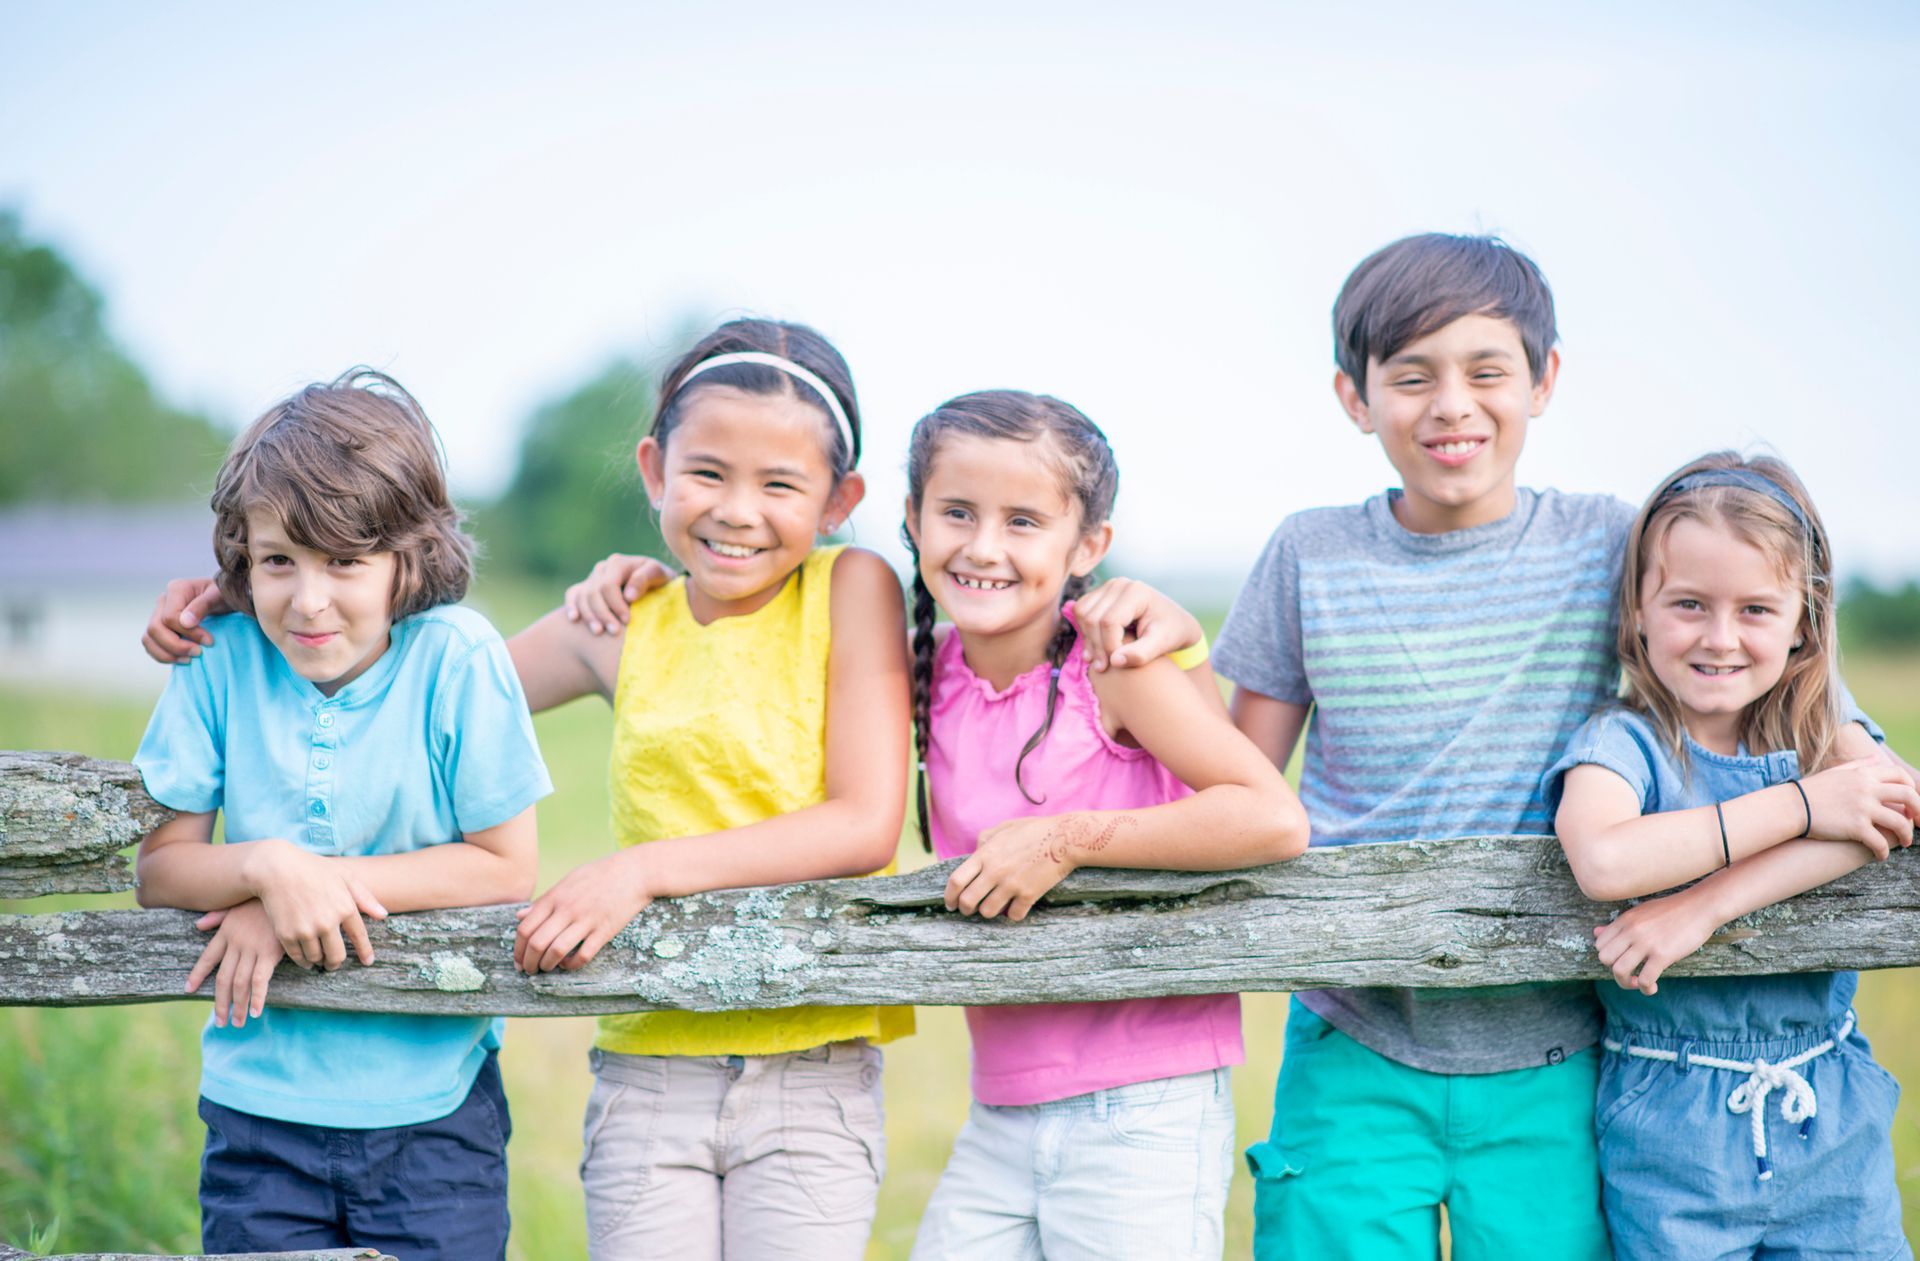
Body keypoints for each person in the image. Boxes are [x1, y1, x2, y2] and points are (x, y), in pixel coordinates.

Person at [1209, 233, 1901, 1260]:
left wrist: (1839, 778)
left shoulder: (1614, 543)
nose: (1452, 404)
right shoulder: (1307, 555)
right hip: (1353, 1031)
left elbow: (1828, 736)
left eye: (1487, 370)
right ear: (1356, 396)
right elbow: (1241, 788)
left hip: (1557, 1044)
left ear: (1544, 381)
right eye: (1412, 375)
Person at [506, 319, 915, 1260]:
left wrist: (641, 871)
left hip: (812, 1065)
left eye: (780, 485)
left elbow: (862, 823)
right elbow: (430, 695)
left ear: (839, 499)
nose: (737, 510)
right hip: (651, 1066)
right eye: (707, 473)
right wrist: (241, 602)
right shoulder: (623, 620)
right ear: (654, 470)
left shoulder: (852, 587)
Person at [131, 369, 550, 1260]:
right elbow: (161, 867)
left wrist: (312, 891)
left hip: (433, 1112)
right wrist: (266, 867)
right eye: (279, 559)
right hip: (257, 1116)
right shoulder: (219, 658)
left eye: (346, 562)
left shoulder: (457, 658)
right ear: (243, 556)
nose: (308, 599)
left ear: (409, 557)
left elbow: (505, 865)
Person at [897, 389, 1308, 1259]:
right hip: (1000, 1102)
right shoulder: (923, 671)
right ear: (912, 518)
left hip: (1144, 1103)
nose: (982, 546)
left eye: (1023, 521)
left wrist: (1068, 839)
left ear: (1087, 546)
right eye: (957, 512)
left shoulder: (1112, 664)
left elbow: (1271, 817)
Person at [1544, 453, 1917, 1259]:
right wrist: (1808, 807)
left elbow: (1891, 804)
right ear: (1637, 610)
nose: (1720, 637)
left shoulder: (1817, 724)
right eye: (1688, 604)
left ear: (1804, 620)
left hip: (1827, 1106)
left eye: (1755, 608)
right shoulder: (1625, 741)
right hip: (1668, 1118)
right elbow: (1604, 860)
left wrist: (1702, 905)